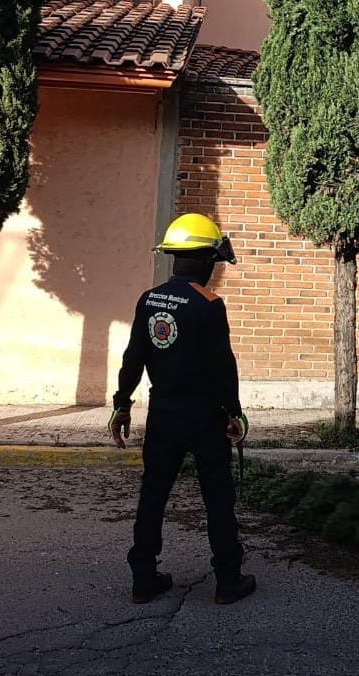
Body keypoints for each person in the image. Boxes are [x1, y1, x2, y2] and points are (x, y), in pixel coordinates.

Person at [108, 213, 255, 605]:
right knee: (217, 498)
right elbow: (222, 366)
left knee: (153, 494)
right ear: (205, 260)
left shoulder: (149, 299)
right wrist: (235, 412)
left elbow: (133, 358)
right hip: (204, 417)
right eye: (213, 261)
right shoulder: (209, 305)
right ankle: (228, 580)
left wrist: (122, 404)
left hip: (163, 415)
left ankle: (143, 578)